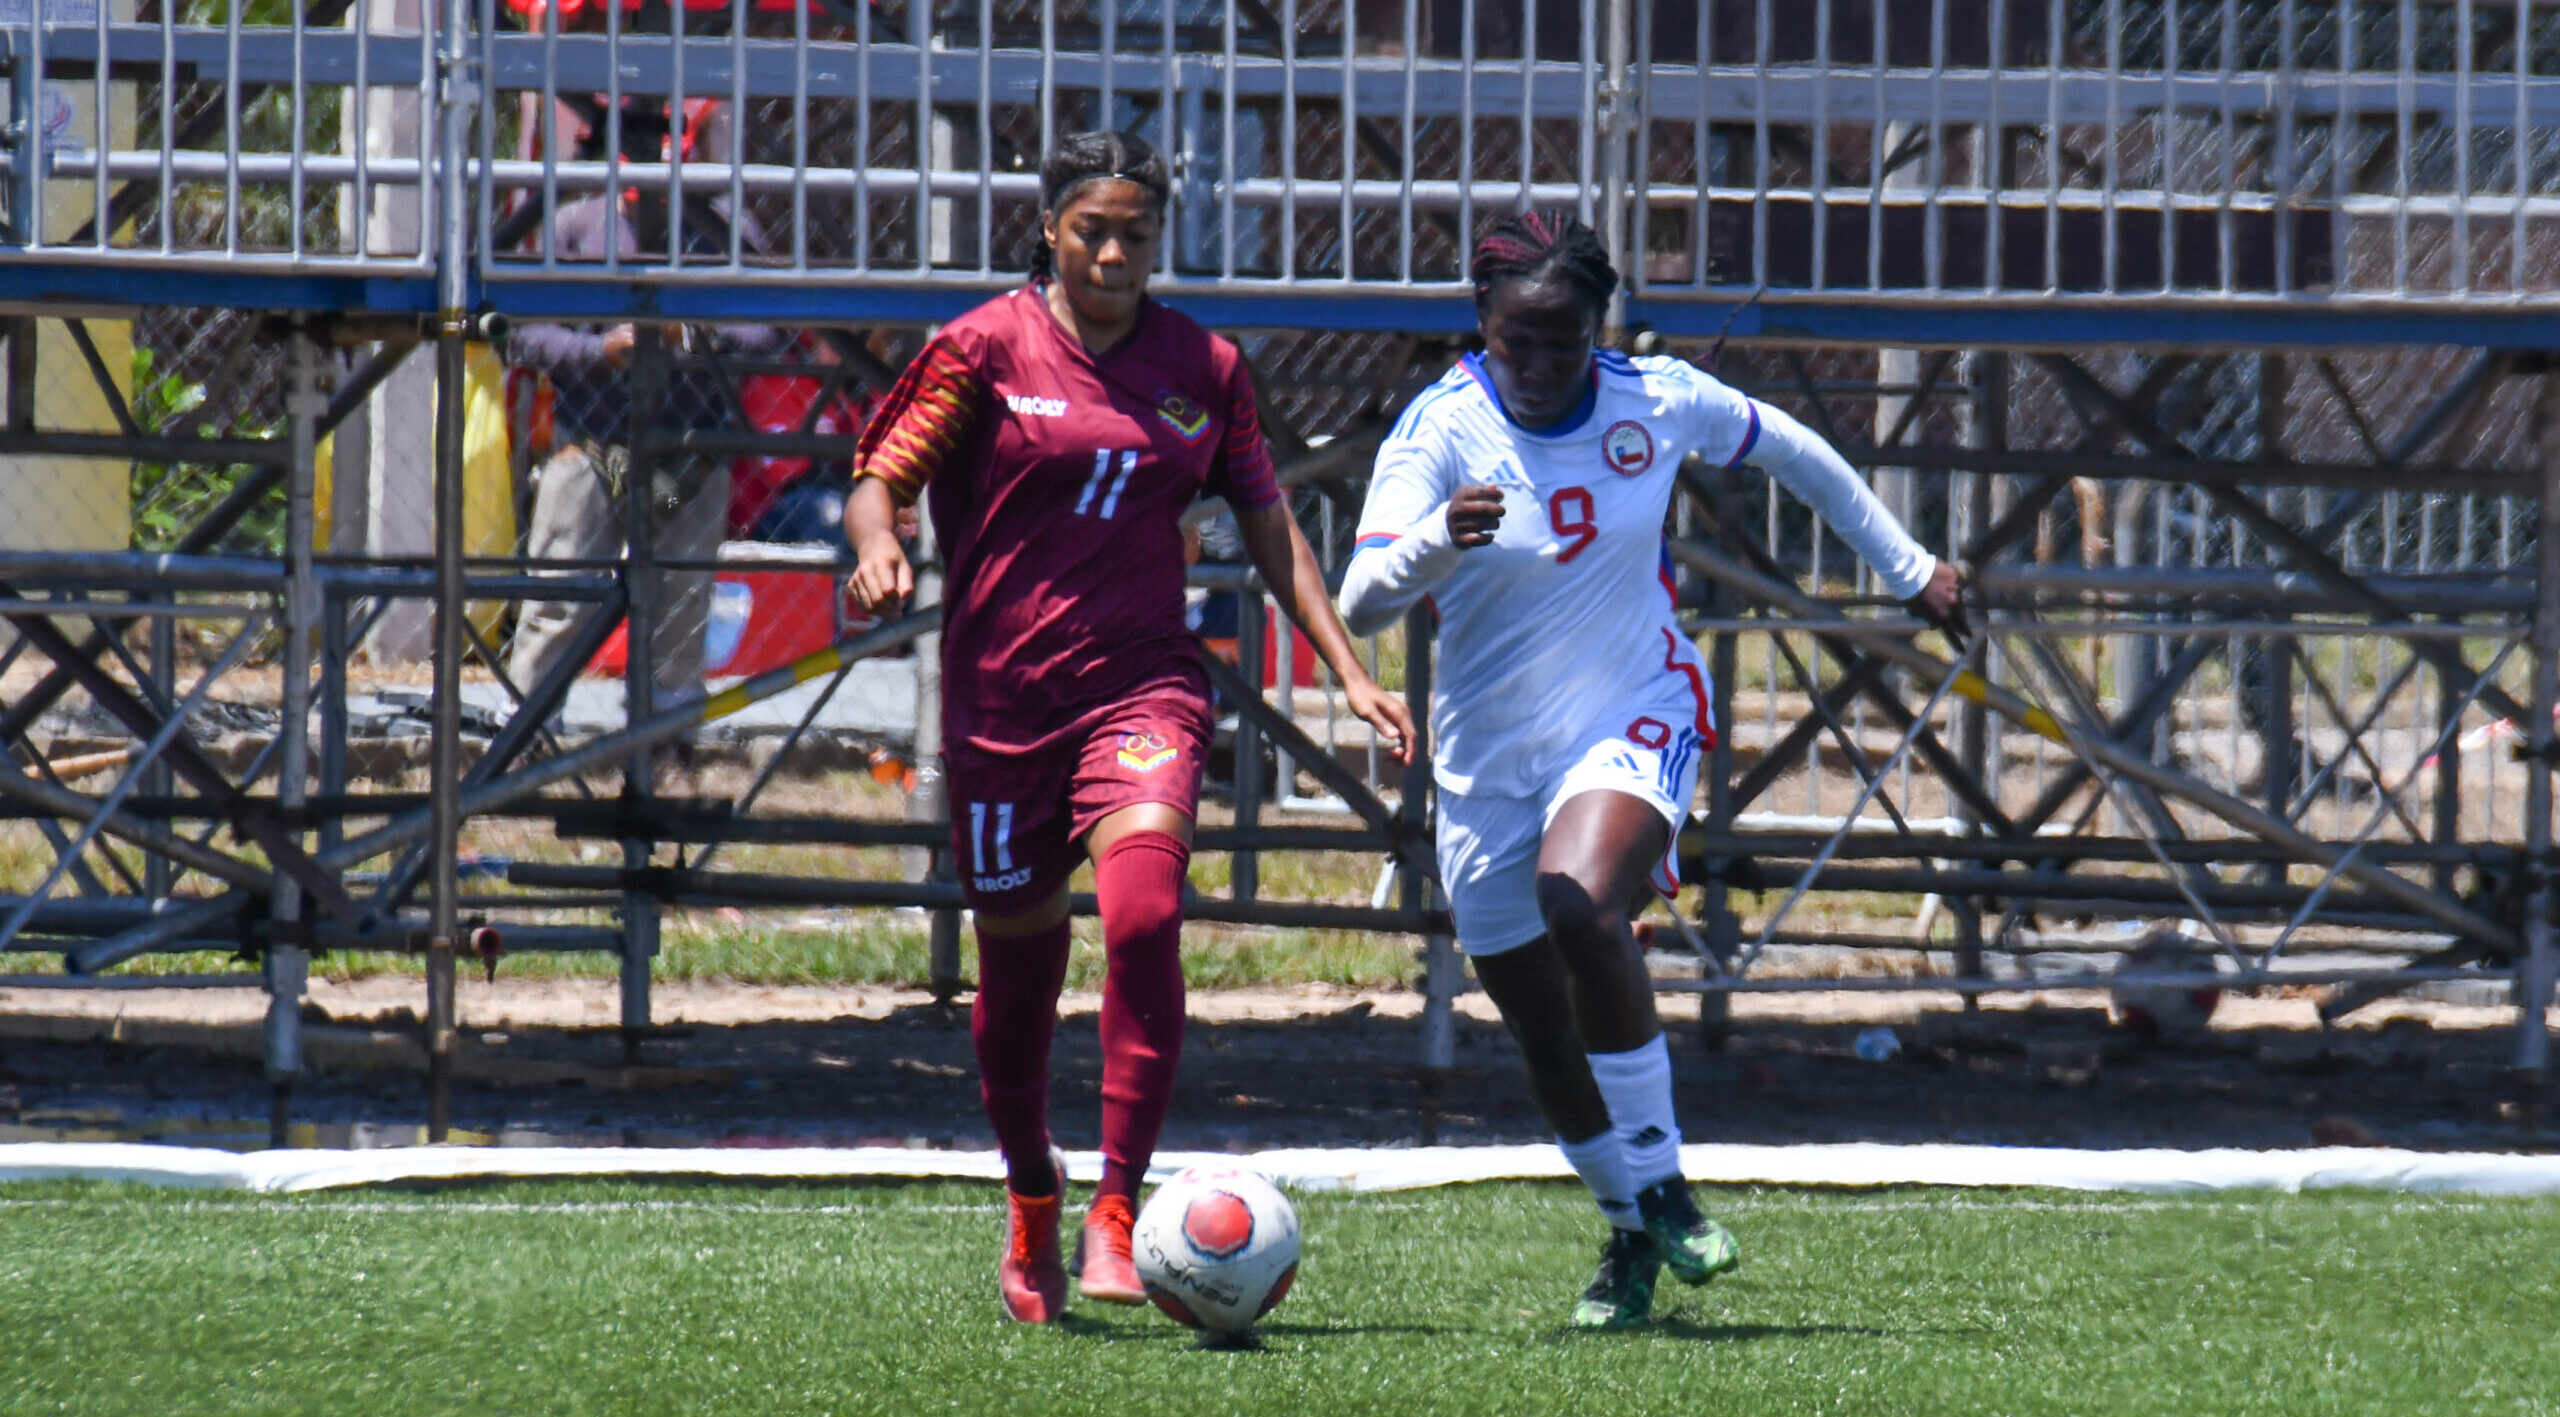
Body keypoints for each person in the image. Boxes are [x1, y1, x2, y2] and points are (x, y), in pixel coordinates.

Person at [1338, 211, 1964, 1328]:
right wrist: (1439, 535)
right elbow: (1361, 597)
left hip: (1634, 710)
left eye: (1561, 342)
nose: (1535, 366)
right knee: (1538, 1026)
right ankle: (1626, 1227)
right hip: (1488, 759)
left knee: (1576, 907)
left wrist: (1909, 566)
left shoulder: (1655, 397)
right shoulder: (1438, 431)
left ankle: (1665, 1182)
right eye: (1514, 342)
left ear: (1598, 330)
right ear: (1479, 327)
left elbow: (1793, 450)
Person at [843, 130, 1414, 1325]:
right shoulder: (981, 348)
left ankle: (1117, 1207)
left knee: (1147, 913)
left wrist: (1350, 673)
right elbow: (877, 477)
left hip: (1142, 685)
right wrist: (879, 542)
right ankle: (1033, 1202)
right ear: (1049, 227)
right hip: (1004, 701)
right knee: (1018, 976)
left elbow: (1269, 524)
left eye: (1135, 234)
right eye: (1091, 229)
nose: (1111, 252)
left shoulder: (1202, 366)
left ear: (1162, 242)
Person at [505, 93, 780, 725]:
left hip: (690, 449)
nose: (650, 153)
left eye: (663, 138)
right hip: (592, 441)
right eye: (634, 139)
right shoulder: (576, 224)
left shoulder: (724, 226)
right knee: (559, 598)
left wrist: (686, 338)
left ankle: (666, 740)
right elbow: (526, 333)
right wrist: (603, 350)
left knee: (682, 605)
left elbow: (770, 330)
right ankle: (524, 731)